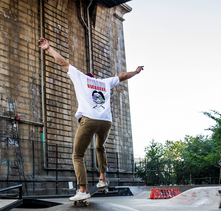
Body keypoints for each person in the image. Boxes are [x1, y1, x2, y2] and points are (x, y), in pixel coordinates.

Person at [38, 37, 144, 201]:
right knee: (100, 147)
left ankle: (83, 189)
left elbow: (63, 63)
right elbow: (122, 76)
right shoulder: (104, 82)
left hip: (90, 120)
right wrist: (136, 72)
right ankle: (102, 178)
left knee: (77, 155)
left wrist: (48, 48)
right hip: (106, 122)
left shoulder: (81, 78)